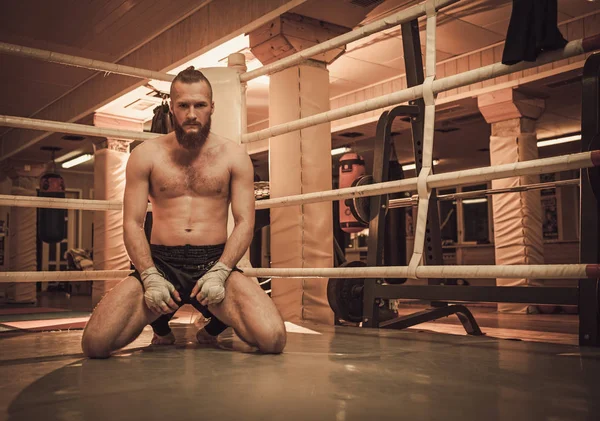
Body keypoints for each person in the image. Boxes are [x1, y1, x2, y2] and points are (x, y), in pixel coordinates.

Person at [81, 67, 286, 358]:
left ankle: (211, 329)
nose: (192, 114)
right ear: (172, 108)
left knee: (273, 339)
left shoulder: (234, 155)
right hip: (162, 262)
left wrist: (222, 270)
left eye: (200, 105)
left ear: (211, 107)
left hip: (214, 262)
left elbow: (244, 223)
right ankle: (162, 328)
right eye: (183, 105)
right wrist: (149, 274)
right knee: (95, 344)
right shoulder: (146, 155)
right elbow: (132, 223)